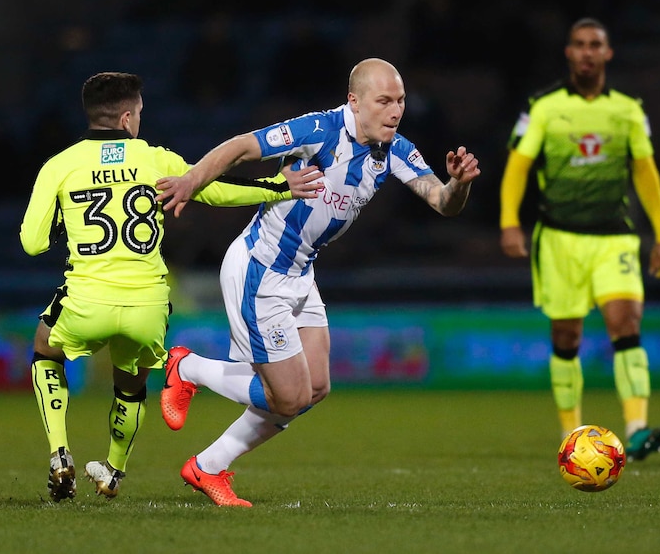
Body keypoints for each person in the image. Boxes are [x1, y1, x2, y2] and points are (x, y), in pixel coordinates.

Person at [155, 57, 482, 507]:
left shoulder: (397, 150)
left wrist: (458, 184)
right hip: (260, 270)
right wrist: (192, 179)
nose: (395, 111)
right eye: (384, 101)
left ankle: (207, 467)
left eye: (400, 101)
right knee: (287, 398)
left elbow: (443, 203)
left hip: (302, 273)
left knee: (315, 389)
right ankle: (187, 367)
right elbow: (240, 146)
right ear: (354, 101)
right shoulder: (317, 131)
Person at [19, 71, 322, 502]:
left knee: (45, 350)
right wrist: (277, 188)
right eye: (139, 112)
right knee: (131, 386)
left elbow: (32, 243)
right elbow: (213, 191)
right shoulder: (155, 159)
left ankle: (58, 452)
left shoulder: (60, 165)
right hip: (147, 303)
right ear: (127, 118)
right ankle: (113, 471)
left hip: (87, 298)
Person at [498, 18, 660, 460]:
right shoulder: (544, 106)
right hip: (559, 238)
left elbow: (645, 173)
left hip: (614, 237)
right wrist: (509, 222)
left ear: (608, 53)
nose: (587, 52)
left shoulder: (628, 109)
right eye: (579, 44)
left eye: (595, 44)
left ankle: (636, 429)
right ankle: (571, 435)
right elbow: (518, 166)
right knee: (567, 336)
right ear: (568, 53)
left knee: (626, 324)